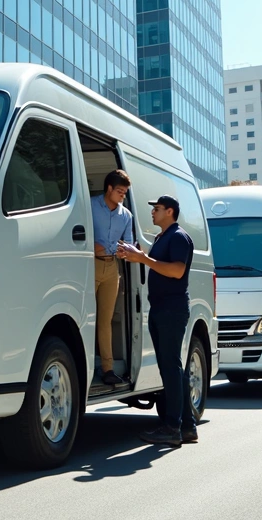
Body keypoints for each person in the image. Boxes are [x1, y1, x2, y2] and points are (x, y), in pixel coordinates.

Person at [117, 195, 197, 446]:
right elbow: (156, 264)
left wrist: (144, 259)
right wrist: (137, 254)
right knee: (171, 368)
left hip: (172, 309)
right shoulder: (162, 237)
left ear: (170, 211)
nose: (153, 212)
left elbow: (176, 271)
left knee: (171, 368)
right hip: (161, 308)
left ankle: (172, 427)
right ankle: (186, 427)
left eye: (157, 209)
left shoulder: (179, 237)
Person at [91, 170, 133, 386]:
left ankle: (107, 369)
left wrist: (126, 250)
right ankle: (86, 366)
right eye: (119, 191)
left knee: (105, 320)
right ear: (109, 189)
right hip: (88, 266)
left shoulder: (126, 216)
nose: (122, 196)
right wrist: (95, 246)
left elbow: (129, 244)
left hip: (112, 269)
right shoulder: (89, 206)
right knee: (85, 318)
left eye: (124, 193)